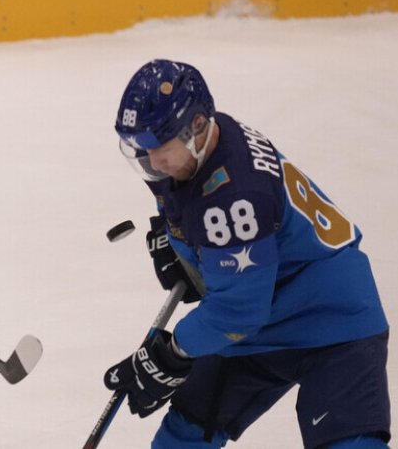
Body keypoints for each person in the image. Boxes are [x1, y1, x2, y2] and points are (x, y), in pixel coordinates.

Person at [103, 59, 390, 448]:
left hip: (332, 321)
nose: (154, 163)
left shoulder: (235, 198)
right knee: (182, 438)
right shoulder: (193, 151)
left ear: (198, 128)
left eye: (162, 148)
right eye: (143, 149)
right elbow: (181, 199)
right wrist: (175, 241)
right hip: (262, 316)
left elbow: (238, 312)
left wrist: (172, 355)